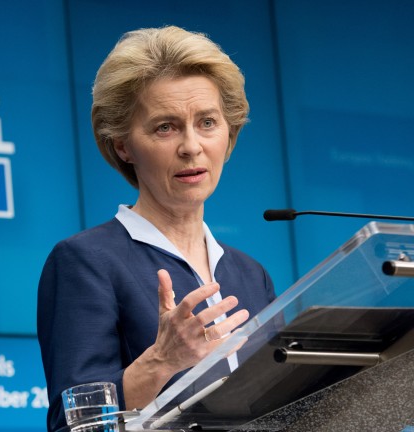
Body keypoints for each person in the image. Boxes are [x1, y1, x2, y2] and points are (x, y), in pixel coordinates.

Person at [36, 26, 276, 432]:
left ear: (229, 132)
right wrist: (161, 361)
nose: (191, 146)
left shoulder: (252, 275)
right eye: (165, 127)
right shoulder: (86, 262)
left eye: (207, 122)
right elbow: (74, 424)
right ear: (123, 145)